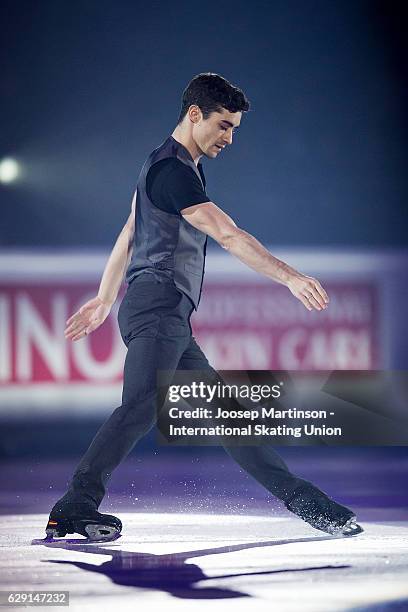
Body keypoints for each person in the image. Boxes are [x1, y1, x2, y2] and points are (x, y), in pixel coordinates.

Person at [45, 73, 362, 541]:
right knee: (139, 407)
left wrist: (106, 298)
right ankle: (74, 505)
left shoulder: (164, 164)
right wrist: (291, 277)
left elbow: (129, 232)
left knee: (227, 416)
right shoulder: (172, 171)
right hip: (158, 307)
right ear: (194, 114)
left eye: (234, 128)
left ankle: (309, 504)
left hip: (164, 312)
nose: (229, 138)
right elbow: (229, 234)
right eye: (223, 125)